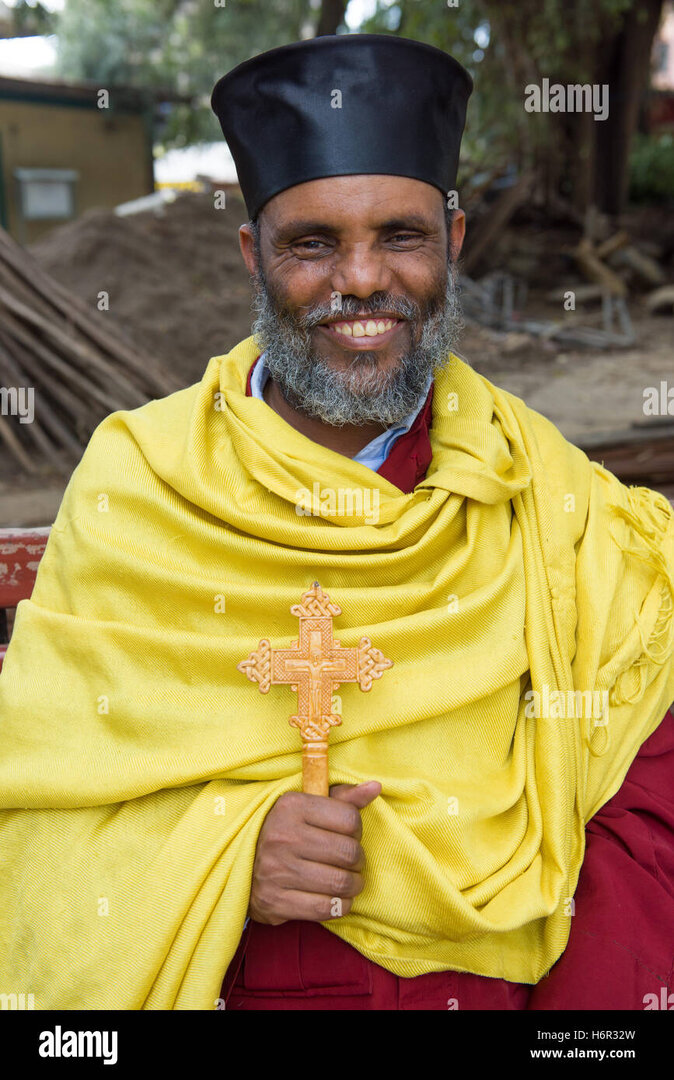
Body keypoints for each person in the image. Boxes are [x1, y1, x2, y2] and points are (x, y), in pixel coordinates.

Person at [0, 34, 673, 1012]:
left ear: (451, 240)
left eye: (398, 235)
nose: (359, 280)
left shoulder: (552, 497)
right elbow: (42, 798)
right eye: (311, 243)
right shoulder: (136, 484)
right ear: (252, 255)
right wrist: (229, 851)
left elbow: (643, 783)